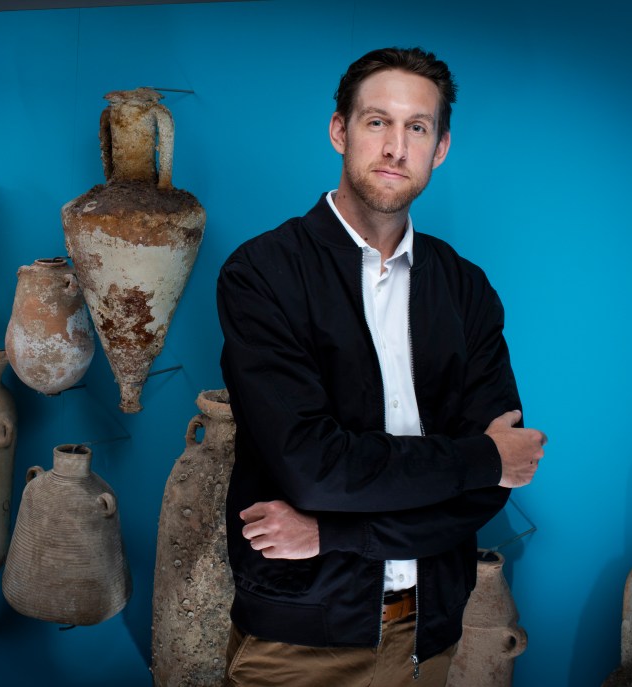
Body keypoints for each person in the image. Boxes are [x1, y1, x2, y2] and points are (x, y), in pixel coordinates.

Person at [215, 47, 547, 687]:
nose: (396, 147)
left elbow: (487, 493)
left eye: (416, 127)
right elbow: (314, 471)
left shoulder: (466, 288)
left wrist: (335, 533)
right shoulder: (262, 275)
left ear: (440, 147)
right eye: (377, 122)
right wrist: (479, 456)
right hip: (299, 639)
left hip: (431, 630)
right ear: (340, 130)